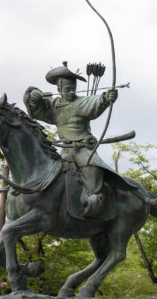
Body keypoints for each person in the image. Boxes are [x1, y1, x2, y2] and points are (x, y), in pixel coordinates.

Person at [23, 61, 136, 217]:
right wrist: (33, 96)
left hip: (83, 148)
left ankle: (94, 203)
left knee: (92, 171)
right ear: (59, 90)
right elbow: (36, 111)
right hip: (65, 150)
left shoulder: (79, 103)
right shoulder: (53, 106)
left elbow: (93, 102)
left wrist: (104, 98)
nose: (71, 92)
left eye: (73, 89)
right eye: (67, 89)